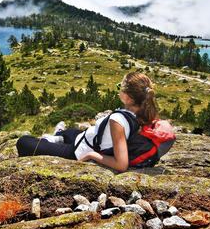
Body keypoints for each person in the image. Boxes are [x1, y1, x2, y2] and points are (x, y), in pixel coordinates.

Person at [16, 72, 158, 172]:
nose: (117, 90)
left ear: (127, 97)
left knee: (23, 142)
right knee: (71, 131)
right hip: (86, 137)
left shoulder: (118, 121)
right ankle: (59, 135)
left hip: (78, 151)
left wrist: (92, 156)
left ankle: (50, 140)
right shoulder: (146, 114)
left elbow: (122, 164)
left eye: (118, 87)